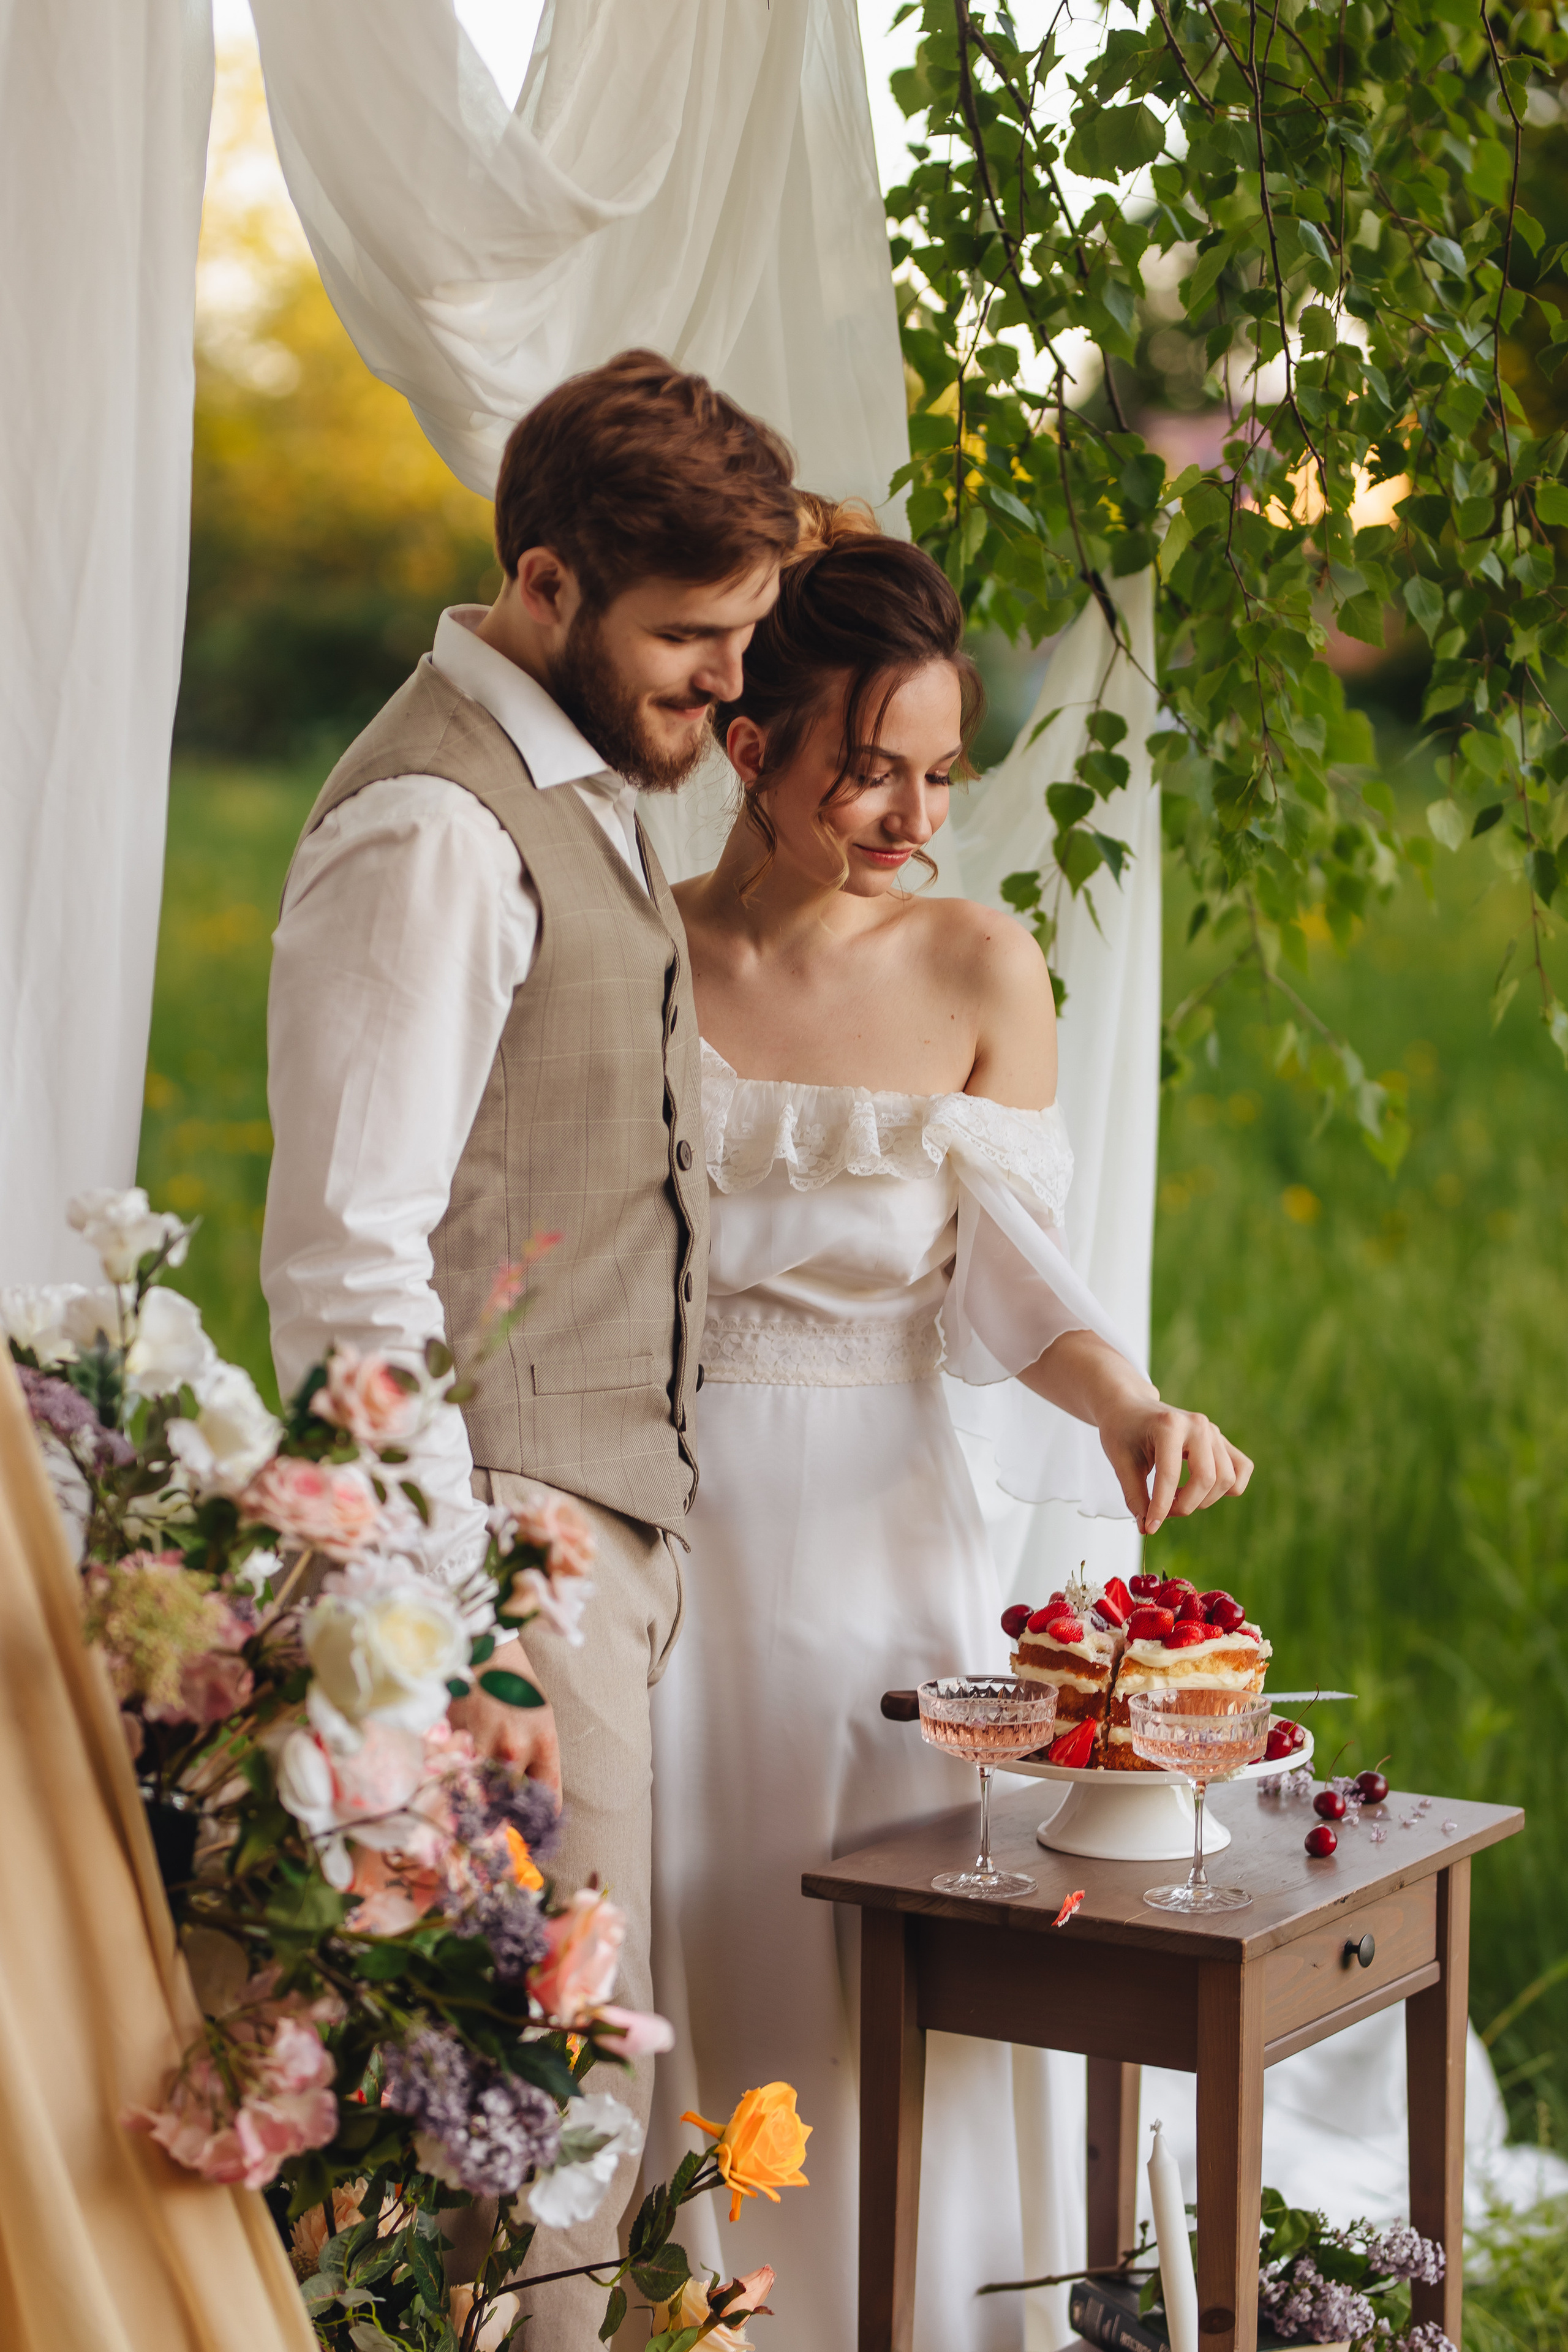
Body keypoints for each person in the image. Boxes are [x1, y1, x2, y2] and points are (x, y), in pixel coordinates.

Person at [643, 502, 1253, 2350]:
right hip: (668, 1526)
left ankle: (900, 2315)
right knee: (686, 1908)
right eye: (868, 775)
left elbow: (1016, 1271)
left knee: (867, 1934)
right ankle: (673, 2306)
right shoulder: (642, 953)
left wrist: (1132, 1399)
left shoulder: (982, 968)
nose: (917, 819)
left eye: (941, 775)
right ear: (751, 751)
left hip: (879, 1531)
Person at [258, 351, 798, 2345]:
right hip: (499, 1551)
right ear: (552, 587)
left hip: (590, 1534)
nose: (726, 692)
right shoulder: (434, 830)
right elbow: (345, 1264)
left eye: (744, 640)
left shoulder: (576, 785)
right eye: (691, 640)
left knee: (563, 2102)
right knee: (549, 2115)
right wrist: (452, 1638)